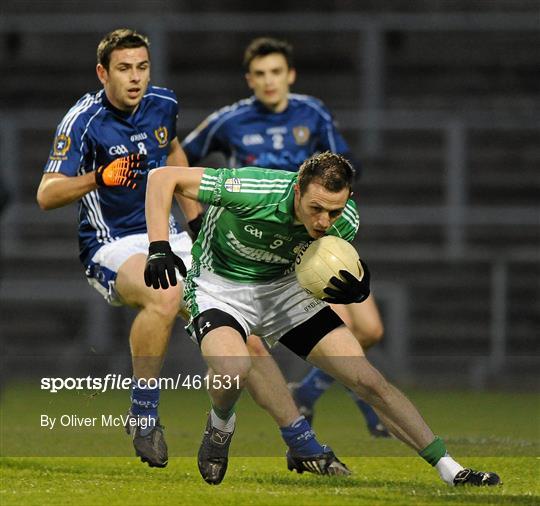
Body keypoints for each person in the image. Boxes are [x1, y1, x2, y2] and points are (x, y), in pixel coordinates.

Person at [36, 29, 347, 476]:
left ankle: (303, 442)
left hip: (169, 236)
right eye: (124, 68)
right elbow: (46, 195)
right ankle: (143, 415)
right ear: (103, 72)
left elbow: (175, 153)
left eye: (142, 67)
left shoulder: (163, 103)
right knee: (163, 294)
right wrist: (99, 177)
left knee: (245, 337)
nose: (135, 77)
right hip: (111, 243)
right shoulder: (82, 120)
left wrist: (197, 220)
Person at [143, 151, 500, 488]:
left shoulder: (345, 221)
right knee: (233, 369)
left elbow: (325, 267)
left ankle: (452, 470)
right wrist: (158, 246)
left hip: (284, 292)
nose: (323, 221)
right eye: (315, 208)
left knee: (368, 380)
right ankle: (220, 426)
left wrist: (357, 288)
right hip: (220, 287)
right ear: (297, 190)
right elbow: (162, 178)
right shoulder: (253, 189)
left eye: (333, 211)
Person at [182, 36, 388, 437]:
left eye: (276, 72)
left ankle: (308, 394)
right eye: (259, 74)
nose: (268, 81)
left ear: (290, 74)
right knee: (337, 323)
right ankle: (325, 421)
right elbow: (181, 161)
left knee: (370, 328)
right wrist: (197, 220)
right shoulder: (230, 120)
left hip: (314, 234)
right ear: (249, 80)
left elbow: (347, 165)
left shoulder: (311, 113)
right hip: (261, 238)